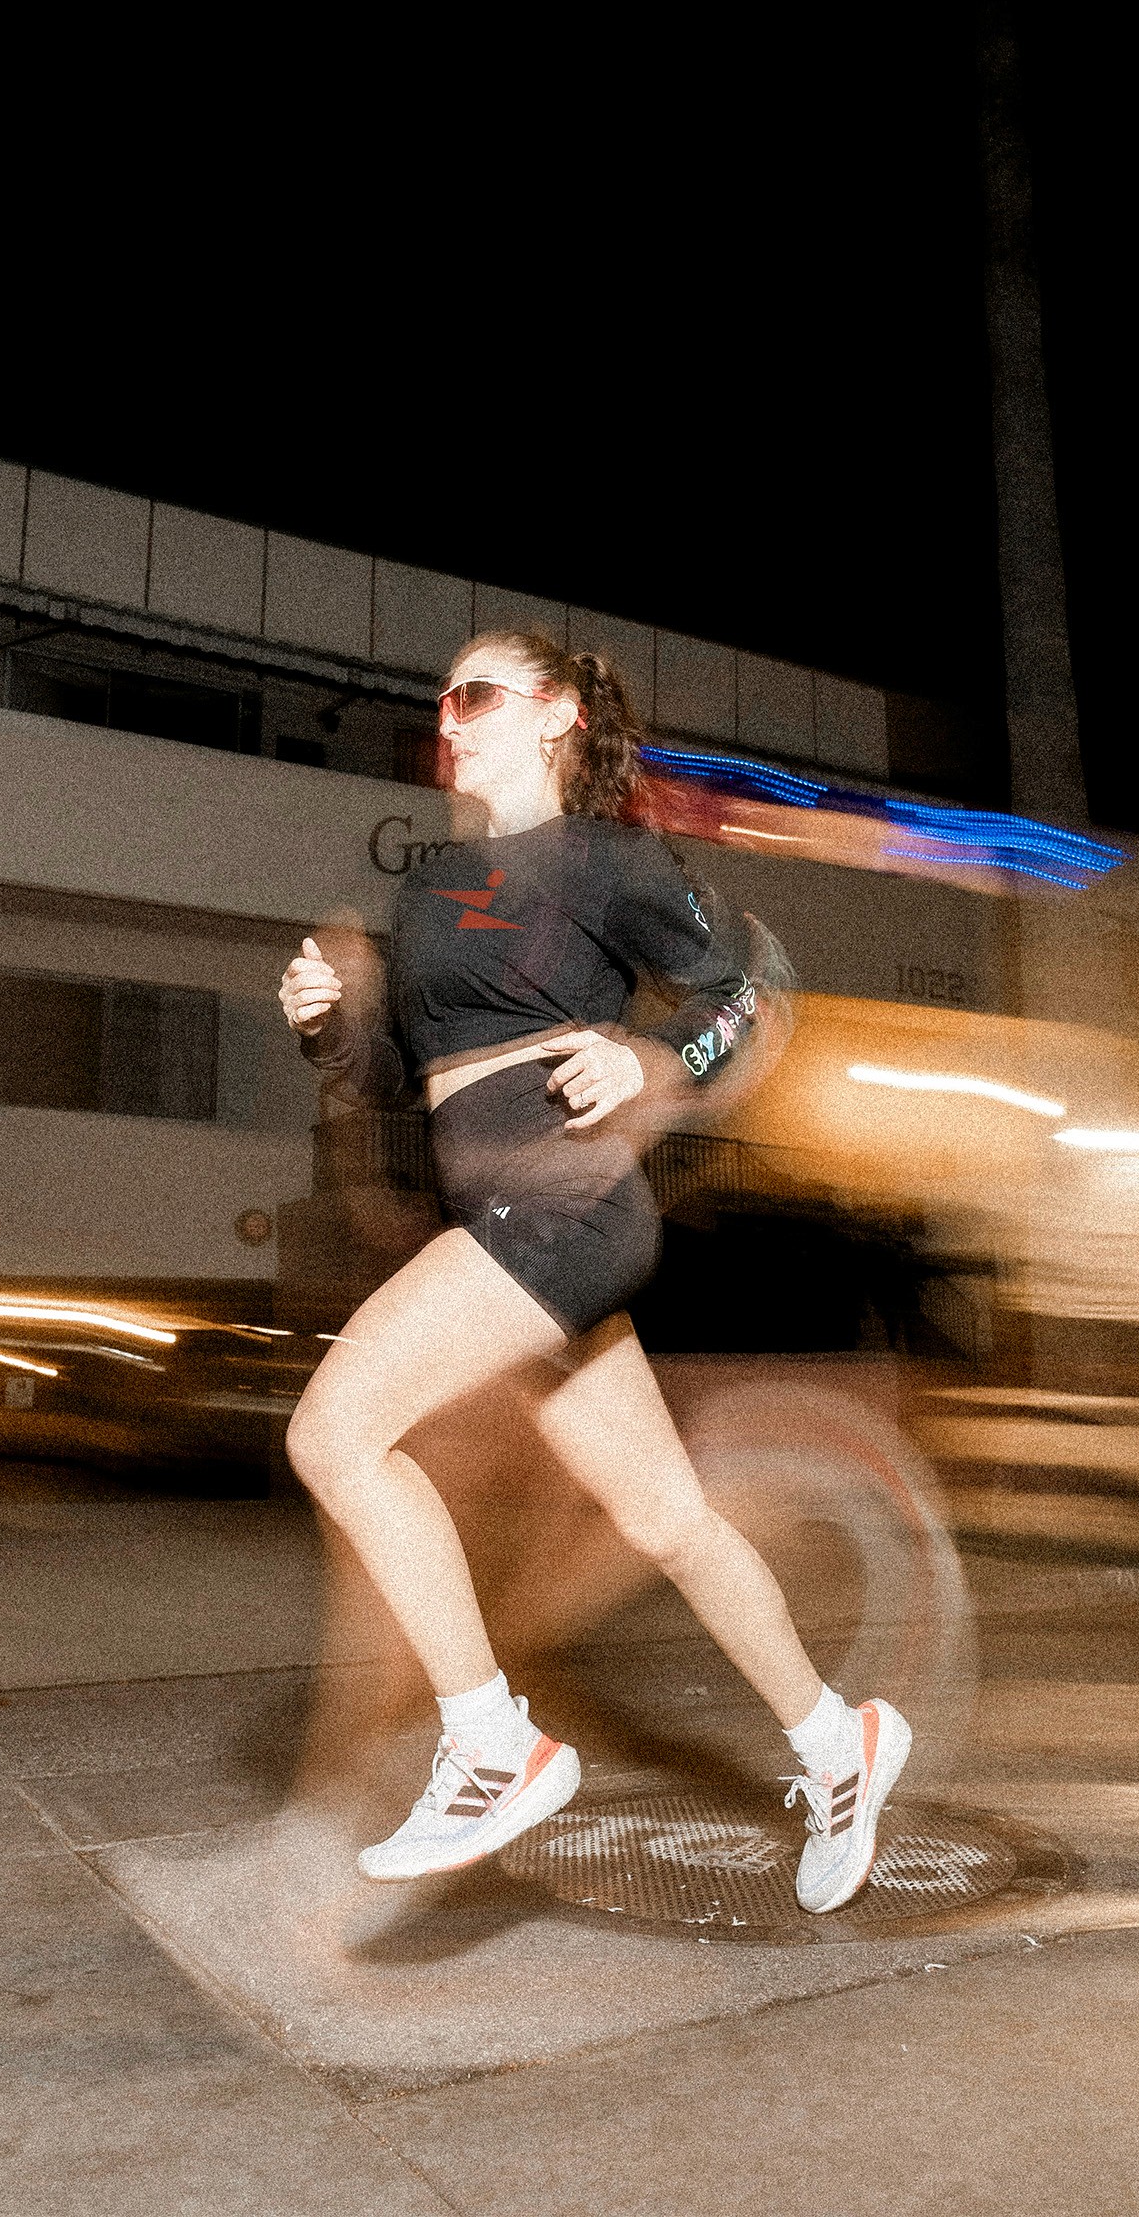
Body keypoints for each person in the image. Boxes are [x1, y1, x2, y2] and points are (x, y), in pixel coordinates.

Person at [277, 631, 910, 1912]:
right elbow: (410, 1073)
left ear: (554, 713)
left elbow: (747, 987)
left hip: (563, 1209)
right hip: (508, 1214)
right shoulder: (435, 883)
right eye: (442, 698)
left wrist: (655, 1062)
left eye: (475, 694)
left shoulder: (610, 862)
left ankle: (490, 1743)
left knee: (336, 1435)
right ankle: (836, 1739)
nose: (447, 717)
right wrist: (333, 1025)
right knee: (666, 1517)